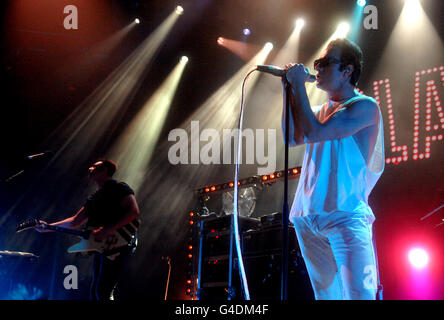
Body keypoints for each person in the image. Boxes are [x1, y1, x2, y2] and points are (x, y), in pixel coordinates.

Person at [282, 38, 384, 300]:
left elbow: (317, 132)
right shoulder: (317, 110)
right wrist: (289, 90)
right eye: (317, 63)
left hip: (345, 216)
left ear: (347, 71)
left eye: (325, 63)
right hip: (308, 217)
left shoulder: (364, 107)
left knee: (360, 296)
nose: (317, 68)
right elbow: (291, 137)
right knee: (327, 298)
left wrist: (297, 85)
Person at [36, 159, 140, 300]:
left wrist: (108, 229)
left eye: (95, 166)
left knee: (103, 290)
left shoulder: (119, 188)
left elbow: (133, 212)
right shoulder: (94, 197)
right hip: (103, 246)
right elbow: (74, 221)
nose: (90, 168)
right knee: (96, 290)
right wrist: (48, 227)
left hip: (120, 244)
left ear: (104, 171)